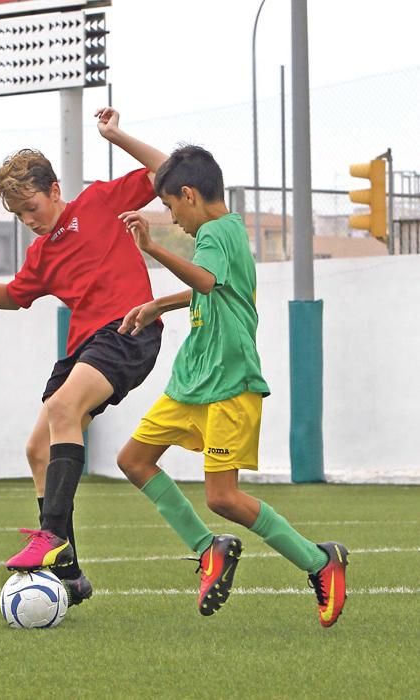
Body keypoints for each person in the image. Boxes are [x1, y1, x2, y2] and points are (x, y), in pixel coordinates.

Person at [116, 145, 348, 627]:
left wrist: (153, 249)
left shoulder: (214, 232)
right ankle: (207, 550)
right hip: (192, 380)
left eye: (170, 206)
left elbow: (204, 280)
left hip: (228, 383)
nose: (170, 217)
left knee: (222, 498)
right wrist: (160, 305)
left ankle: (320, 561)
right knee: (133, 460)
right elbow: (214, 287)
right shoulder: (225, 230)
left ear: (189, 195)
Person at [0, 107, 168, 606]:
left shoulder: (99, 201)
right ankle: (68, 573)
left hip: (130, 329)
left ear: (54, 190)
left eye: (33, 209)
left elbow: (164, 172)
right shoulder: (41, 255)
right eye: (19, 216)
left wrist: (116, 135)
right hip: (85, 348)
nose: (29, 221)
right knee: (36, 449)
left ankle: (51, 539)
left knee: (65, 410)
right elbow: (14, 295)